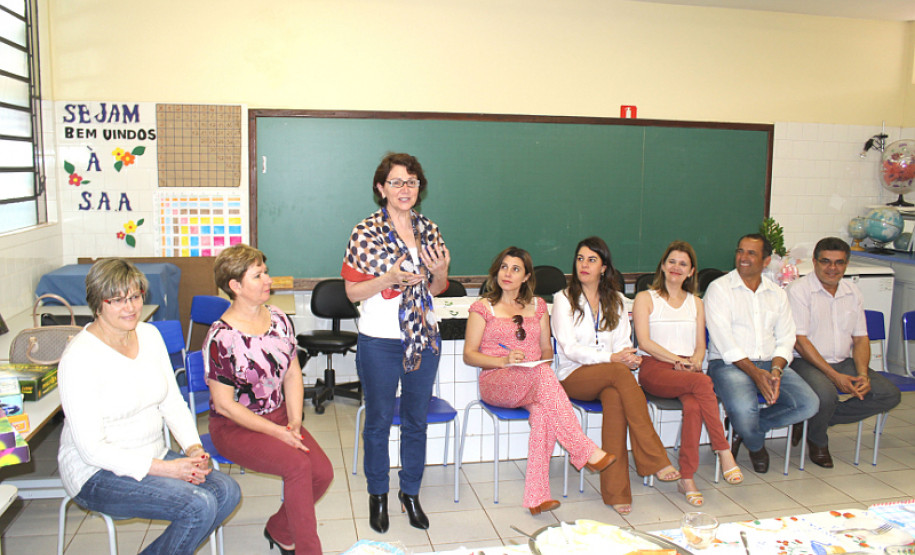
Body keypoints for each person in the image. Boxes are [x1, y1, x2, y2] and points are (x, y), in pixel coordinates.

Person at [57, 258, 240, 555]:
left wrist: (193, 449)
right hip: (95, 473)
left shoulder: (149, 335)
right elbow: (92, 450)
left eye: (135, 296)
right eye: (116, 300)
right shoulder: (79, 358)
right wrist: (168, 469)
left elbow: (172, 403)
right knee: (198, 504)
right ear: (97, 303)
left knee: (226, 491)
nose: (130, 307)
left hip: (151, 455)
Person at [341, 152, 451, 533]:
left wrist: (439, 273)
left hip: (423, 337)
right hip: (380, 342)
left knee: (416, 421)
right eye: (396, 182)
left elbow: (436, 290)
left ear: (419, 188)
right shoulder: (365, 232)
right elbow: (353, 293)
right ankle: (377, 495)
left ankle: (410, 493)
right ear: (380, 188)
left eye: (412, 181)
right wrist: (388, 278)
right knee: (378, 423)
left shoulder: (430, 231)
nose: (405, 189)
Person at [465, 246, 617, 516]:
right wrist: (504, 361)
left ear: (526, 277)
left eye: (515, 269)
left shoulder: (538, 307)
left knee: (544, 414)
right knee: (544, 378)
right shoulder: (482, 308)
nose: (508, 274)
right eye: (504, 267)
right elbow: (470, 355)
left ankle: (537, 497)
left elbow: (547, 350)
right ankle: (583, 450)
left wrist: (540, 363)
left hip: (534, 380)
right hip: (497, 381)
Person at [205, 244, 333, 555]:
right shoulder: (221, 337)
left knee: (322, 473)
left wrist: (294, 420)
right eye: (258, 275)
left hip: (278, 416)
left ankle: (279, 528)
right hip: (234, 426)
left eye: (266, 271)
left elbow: (291, 373)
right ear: (235, 286)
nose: (268, 280)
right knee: (298, 467)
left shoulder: (278, 318)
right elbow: (224, 404)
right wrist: (278, 432)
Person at [551, 236, 679, 515]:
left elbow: (622, 341)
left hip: (611, 376)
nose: (584, 265)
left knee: (615, 398)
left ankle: (617, 492)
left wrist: (626, 356)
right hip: (575, 375)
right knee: (619, 374)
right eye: (580, 258)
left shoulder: (618, 301)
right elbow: (570, 349)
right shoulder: (563, 299)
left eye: (592, 260)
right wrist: (613, 359)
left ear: (604, 268)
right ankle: (654, 457)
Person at [632, 240, 743, 507]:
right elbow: (644, 342)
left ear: (692, 271)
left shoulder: (696, 303)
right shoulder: (646, 298)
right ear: (662, 265)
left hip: (687, 371)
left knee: (695, 404)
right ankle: (723, 449)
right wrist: (676, 361)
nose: (676, 268)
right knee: (703, 383)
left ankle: (688, 478)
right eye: (672, 261)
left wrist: (694, 360)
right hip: (655, 368)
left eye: (683, 264)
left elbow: (700, 346)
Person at [705, 233, 818, 474]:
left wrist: (776, 370)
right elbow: (725, 342)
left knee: (809, 404)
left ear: (766, 261)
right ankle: (756, 445)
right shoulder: (719, 289)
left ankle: (744, 429)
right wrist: (757, 374)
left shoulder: (777, 293)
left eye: (751, 253)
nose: (743, 257)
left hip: (771, 363)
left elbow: (787, 337)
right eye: (740, 251)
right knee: (745, 411)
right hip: (729, 365)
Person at [786, 236, 900, 467]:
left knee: (889, 394)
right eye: (826, 261)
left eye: (839, 263)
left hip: (844, 361)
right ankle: (818, 440)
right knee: (826, 395)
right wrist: (834, 376)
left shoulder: (852, 292)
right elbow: (800, 341)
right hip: (806, 362)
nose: (832, 268)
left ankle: (812, 420)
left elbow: (860, 339)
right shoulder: (799, 290)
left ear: (846, 264)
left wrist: (863, 375)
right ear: (815, 262)